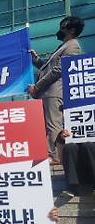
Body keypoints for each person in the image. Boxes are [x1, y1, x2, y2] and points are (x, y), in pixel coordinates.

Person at [29, 16, 84, 163]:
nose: (60, 29)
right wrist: (35, 59)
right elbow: (48, 67)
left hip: (54, 91)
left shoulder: (73, 46)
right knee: (47, 124)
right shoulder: (62, 46)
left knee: (53, 124)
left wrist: (37, 86)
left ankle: (52, 157)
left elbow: (58, 70)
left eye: (63, 26)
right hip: (47, 91)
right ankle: (49, 154)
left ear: (72, 29)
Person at [59, 129, 95, 198]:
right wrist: (62, 138)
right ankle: (72, 187)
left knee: (88, 145)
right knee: (69, 147)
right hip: (78, 173)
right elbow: (60, 158)